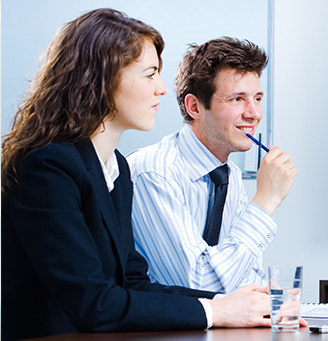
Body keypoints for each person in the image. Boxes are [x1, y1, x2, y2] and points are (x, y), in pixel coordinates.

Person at [0, 9, 283, 341]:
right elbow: (94, 303)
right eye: (150, 74)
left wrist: (237, 307)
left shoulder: (115, 168)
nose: (162, 89)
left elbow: (133, 284)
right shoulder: (46, 165)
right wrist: (218, 311)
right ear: (102, 79)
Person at [127, 37, 298, 294]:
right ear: (194, 106)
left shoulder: (230, 177)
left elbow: (245, 278)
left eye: (258, 98)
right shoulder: (154, 173)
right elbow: (198, 286)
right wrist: (264, 203)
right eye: (237, 99)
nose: (254, 113)